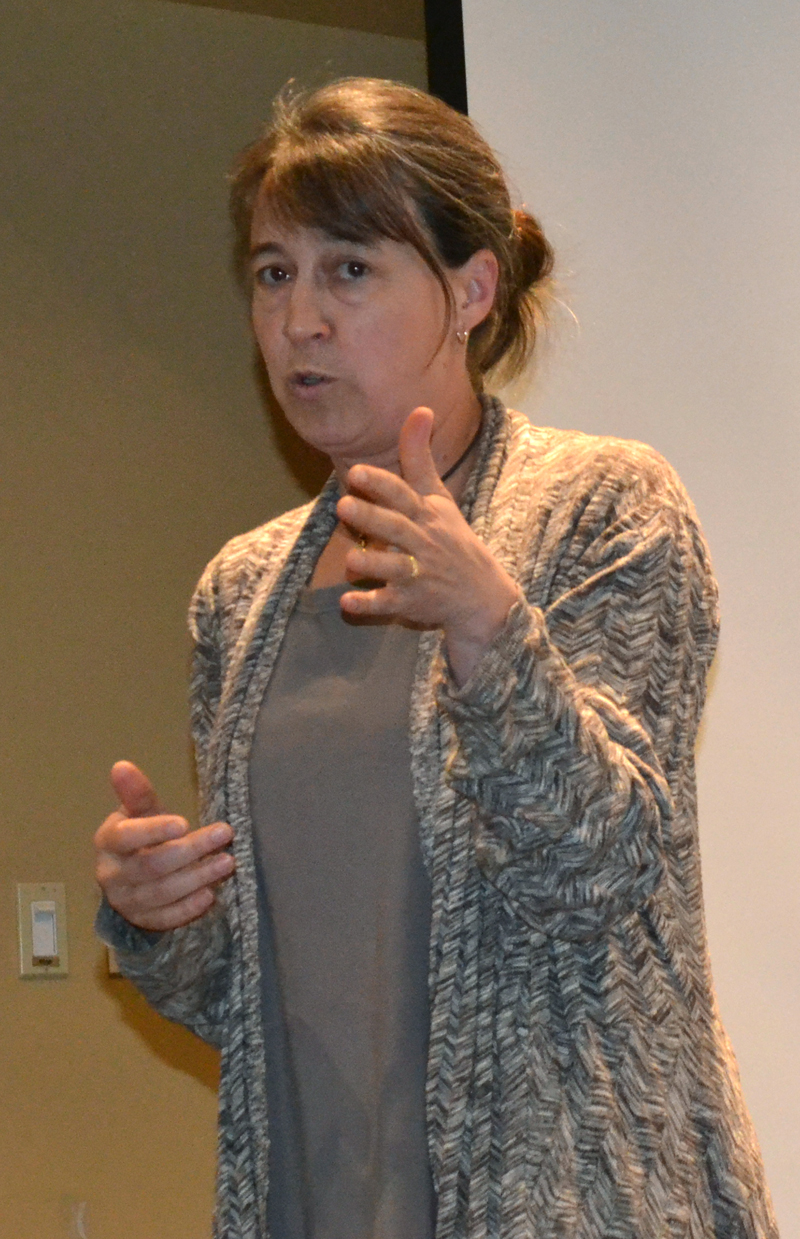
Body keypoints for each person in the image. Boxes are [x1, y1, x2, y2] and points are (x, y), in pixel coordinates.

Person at [94, 78, 778, 1239]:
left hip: (569, 1205)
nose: (300, 320)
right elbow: (252, 997)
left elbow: (603, 883)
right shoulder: (240, 594)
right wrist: (164, 921)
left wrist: (489, 633)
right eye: (274, 272)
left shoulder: (606, 510)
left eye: (349, 270)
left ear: (469, 290)